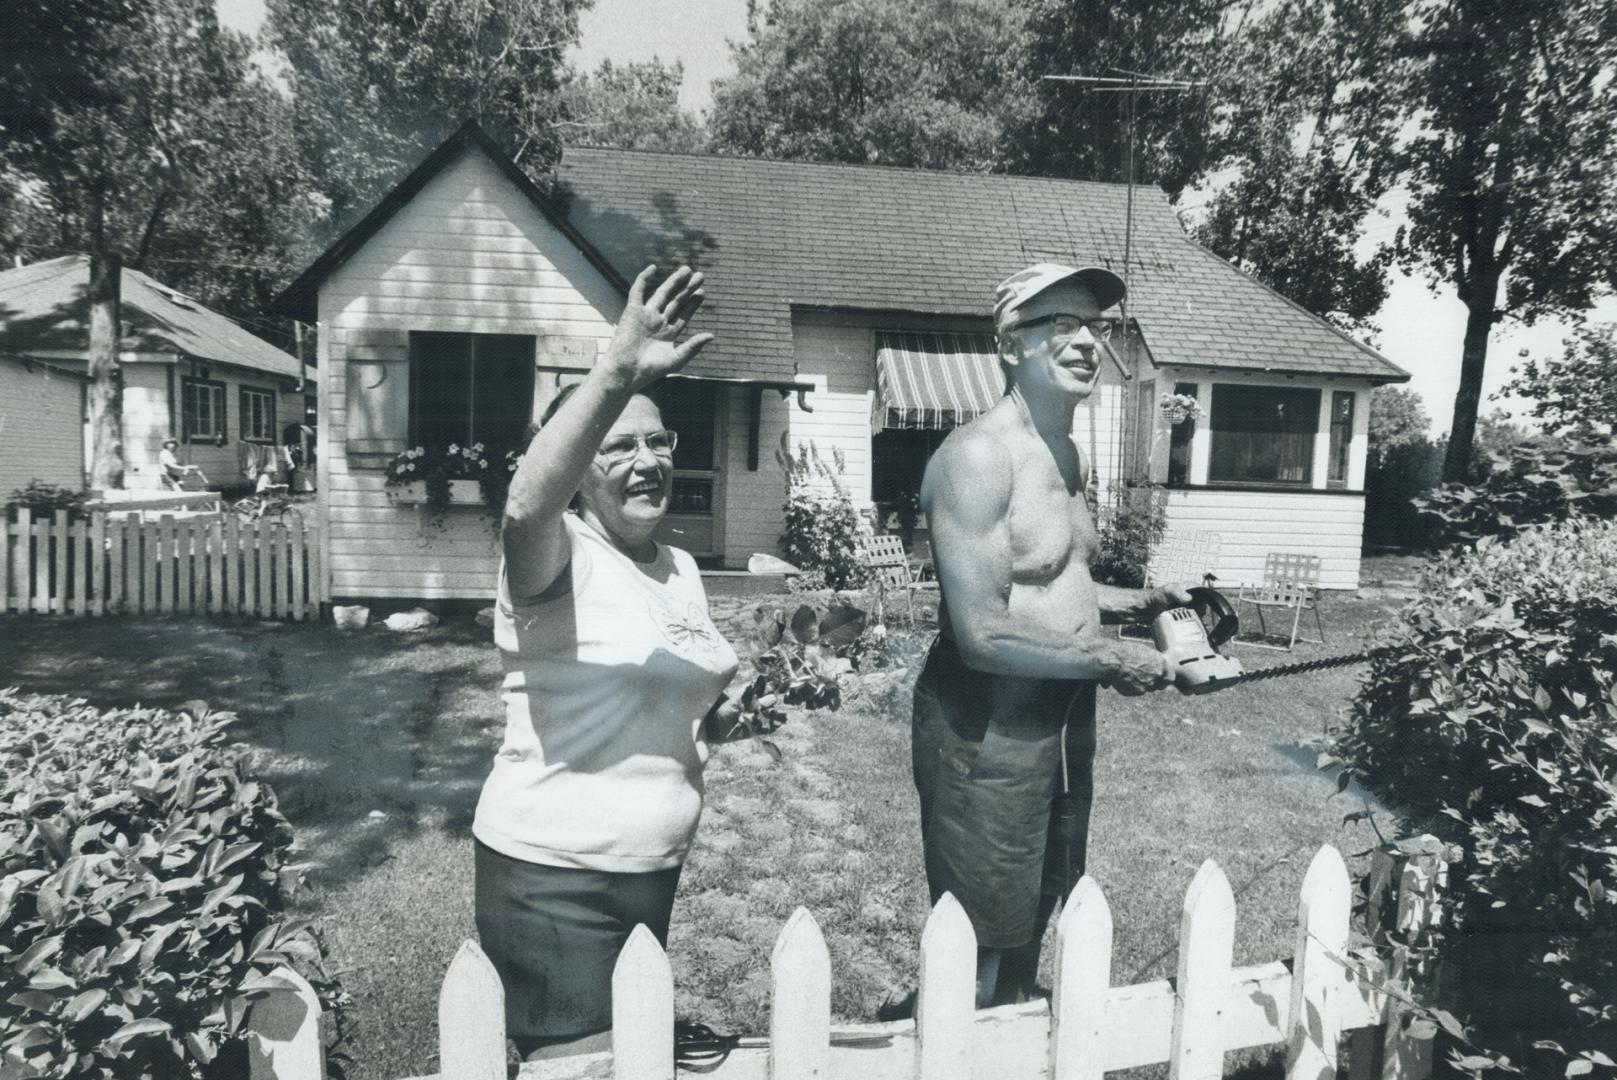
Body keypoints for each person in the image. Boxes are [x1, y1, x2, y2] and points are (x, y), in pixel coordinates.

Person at [472, 265, 741, 1058]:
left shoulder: (678, 567)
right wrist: (617, 368)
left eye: (658, 440)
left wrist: (724, 719)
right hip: (554, 874)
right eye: (619, 445)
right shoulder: (553, 556)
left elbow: (659, 704)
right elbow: (524, 503)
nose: (646, 459)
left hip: (647, 867)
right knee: (579, 1067)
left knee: (627, 1056)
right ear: (583, 468)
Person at [909, 263, 1192, 1010]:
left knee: (1041, 901)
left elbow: (1043, 580)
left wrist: (1133, 600)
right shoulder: (977, 457)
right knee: (977, 927)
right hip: (986, 727)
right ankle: (956, 1046)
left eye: (1094, 327)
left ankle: (1010, 1036)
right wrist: (1104, 657)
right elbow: (978, 630)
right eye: (1059, 326)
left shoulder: (1063, 454)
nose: (1085, 342)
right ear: (1010, 346)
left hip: (1061, 722)